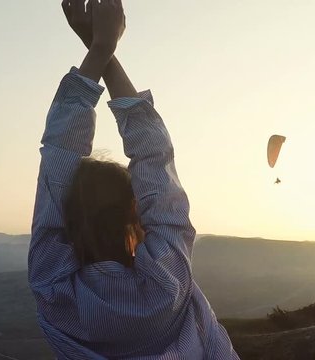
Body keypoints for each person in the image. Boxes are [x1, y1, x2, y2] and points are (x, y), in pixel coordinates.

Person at [28, 1, 240, 358]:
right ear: (134, 210)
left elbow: (60, 159)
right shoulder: (166, 285)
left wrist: (99, 50)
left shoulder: (52, 290)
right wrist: (101, 50)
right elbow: (154, 157)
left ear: (66, 218)